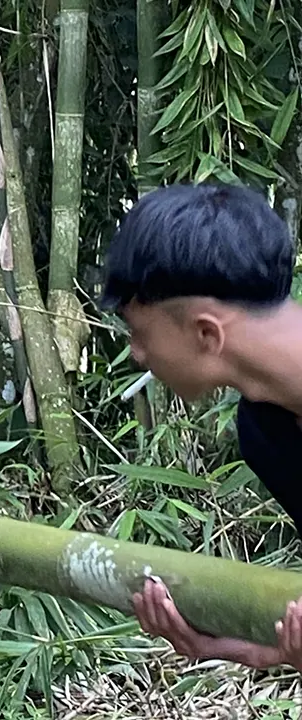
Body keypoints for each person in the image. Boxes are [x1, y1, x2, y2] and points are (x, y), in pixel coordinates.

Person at [100, 183, 302, 670]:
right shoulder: (264, 432)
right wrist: (231, 647)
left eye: (139, 333)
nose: (137, 354)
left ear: (206, 333)